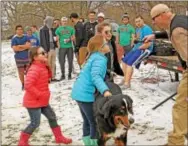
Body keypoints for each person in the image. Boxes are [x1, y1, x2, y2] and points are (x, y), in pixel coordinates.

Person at [142, 4, 188, 146]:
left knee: (180, 105)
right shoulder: (180, 20)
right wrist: (154, 35)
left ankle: (176, 141)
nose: (153, 22)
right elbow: (170, 31)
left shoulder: (177, 31)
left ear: (162, 15)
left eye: (154, 19)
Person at [17, 47, 72, 146]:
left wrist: (47, 65)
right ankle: (23, 141)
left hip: (42, 100)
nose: (45, 54)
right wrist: (40, 94)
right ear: (35, 57)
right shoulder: (34, 69)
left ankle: (59, 137)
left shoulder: (42, 66)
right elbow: (28, 85)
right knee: (35, 123)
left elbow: (49, 77)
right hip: (33, 102)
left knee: (52, 117)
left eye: (44, 52)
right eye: (42, 53)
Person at [71, 34, 112, 146]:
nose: (108, 44)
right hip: (85, 95)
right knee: (94, 122)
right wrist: (105, 90)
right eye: (106, 43)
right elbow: (95, 76)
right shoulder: (99, 59)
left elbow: (94, 73)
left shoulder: (94, 56)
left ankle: (88, 143)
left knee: (87, 121)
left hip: (79, 93)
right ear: (101, 47)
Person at [121, 16, 153, 88]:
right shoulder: (138, 29)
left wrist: (139, 48)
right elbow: (137, 39)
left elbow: (149, 43)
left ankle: (127, 83)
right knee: (123, 60)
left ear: (143, 20)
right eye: (136, 22)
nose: (137, 23)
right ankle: (125, 78)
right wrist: (134, 41)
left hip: (144, 49)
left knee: (130, 63)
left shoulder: (147, 29)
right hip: (136, 49)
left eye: (139, 21)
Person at [11, 25, 31, 90]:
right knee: (21, 72)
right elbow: (15, 49)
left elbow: (29, 46)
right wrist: (24, 46)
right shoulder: (14, 39)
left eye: (21, 29)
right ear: (16, 30)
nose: (20, 30)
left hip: (27, 56)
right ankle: (23, 84)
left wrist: (19, 46)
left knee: (29, 72)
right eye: (18, 29)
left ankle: (29, 83)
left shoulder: (26, 37)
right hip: (18, 57)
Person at [40, 16, 58, 82]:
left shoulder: (52, 29)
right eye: (51, 21)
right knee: (47, 64)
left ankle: (53, 77)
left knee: (53, 63)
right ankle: (48, 78)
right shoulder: (42, 29)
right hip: (47, 49)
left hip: (53, 48)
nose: (52, 22)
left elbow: (54, 38)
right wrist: (45, 50)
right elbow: (43, 41)